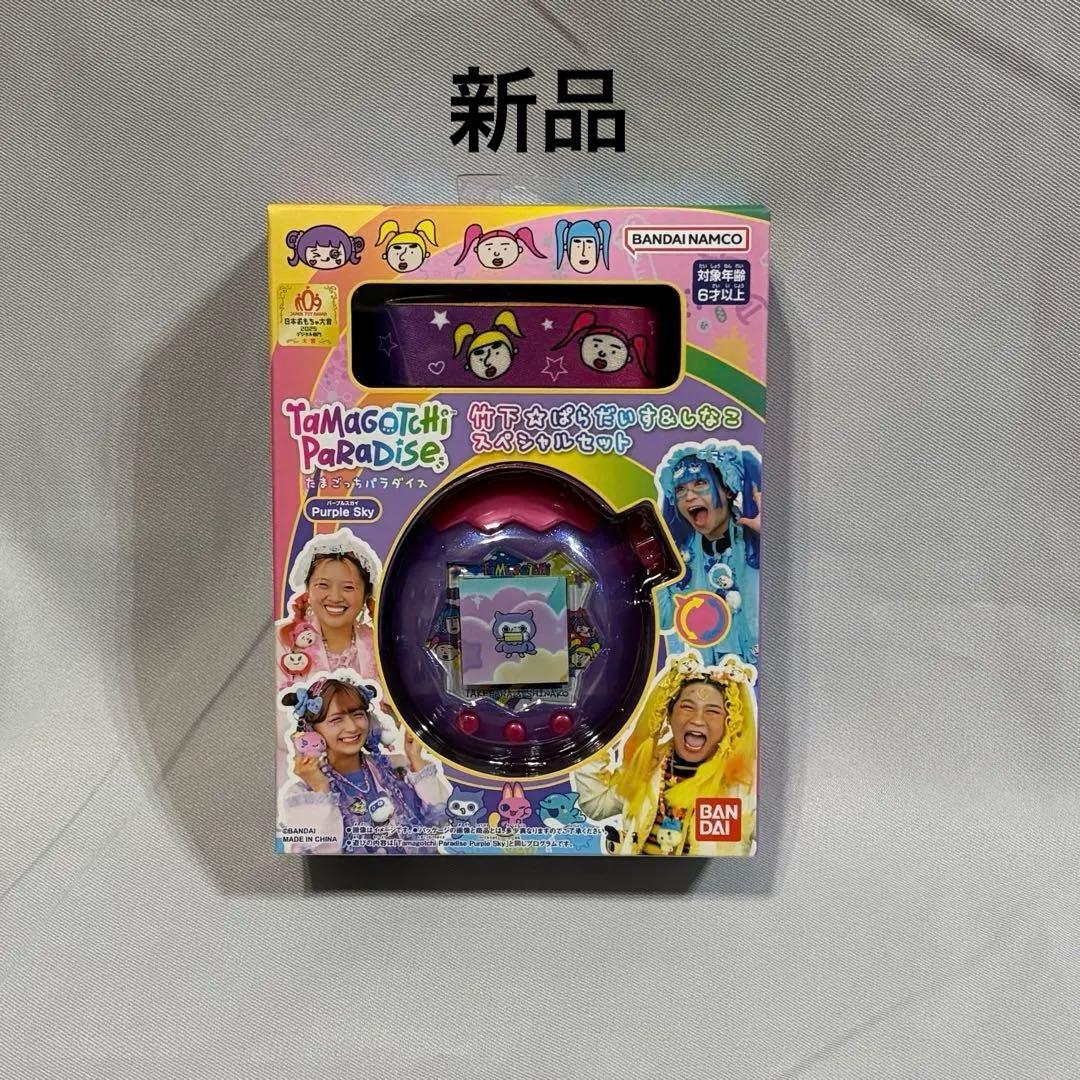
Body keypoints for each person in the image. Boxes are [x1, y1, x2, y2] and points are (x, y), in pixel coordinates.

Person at [574, 654, 757, 855]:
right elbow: (596, 805)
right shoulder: (645, 765)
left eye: (712, 711)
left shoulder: (746, 781)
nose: (698, 720)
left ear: (729, 722)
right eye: (687, 707)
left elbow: (778, 838)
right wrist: (594, 736)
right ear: (669, 714)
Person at [278, 673, 450, 854]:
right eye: (336, 719)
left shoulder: (400, 767)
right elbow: (322, 855)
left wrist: (415, 758)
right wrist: (321, 789)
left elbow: (444, 822)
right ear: (311, 732)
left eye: (358, 714)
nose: (352, 727)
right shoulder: (303, 794)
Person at [656, 440, 761, 666]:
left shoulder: (754, 542)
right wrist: (657, 566)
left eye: (700, 483)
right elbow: (665, 620)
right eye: (680, 489)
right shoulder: (680, 556)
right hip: (705, 673)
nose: (689, 496)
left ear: (727, 489)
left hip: (759, 668)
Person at [277, 529, 381, 683]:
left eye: (348, 587)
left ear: (366, 594)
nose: (335, 597)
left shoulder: (380, 644)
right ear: (308, 589)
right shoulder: (281, 640)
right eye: (323, 585)